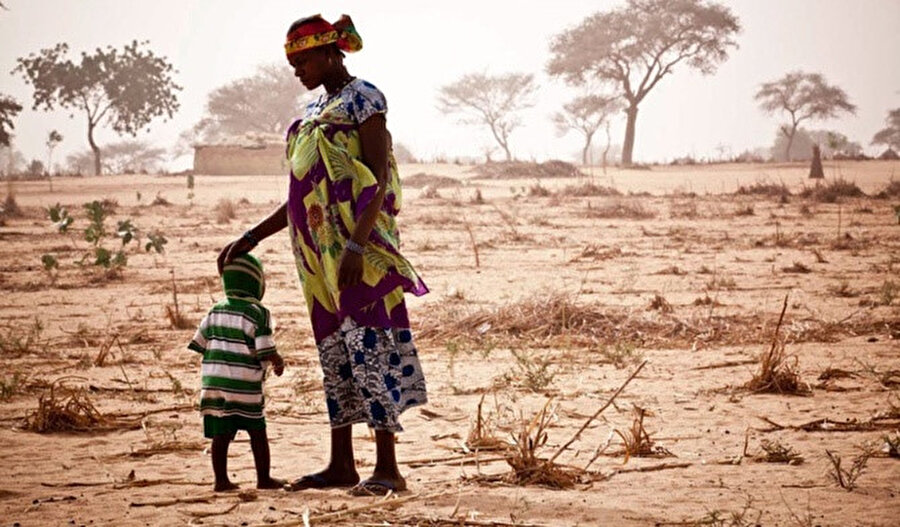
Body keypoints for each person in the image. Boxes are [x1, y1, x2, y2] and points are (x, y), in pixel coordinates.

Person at [217, 13, 428, 496]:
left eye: (304, 58)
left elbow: (375, 178)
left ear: (332, 52)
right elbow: (300, 195)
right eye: (293, 63)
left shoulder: (365, 100)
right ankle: (341, 465)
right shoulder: (315, 112)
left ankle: (388, 470)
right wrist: (251, 237)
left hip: (361, 251)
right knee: (336, 353)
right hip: (317, 259)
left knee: (369, 346)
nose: (298, 69)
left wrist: (356, 245)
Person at [189, 253, 286, 492]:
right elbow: (264, 349)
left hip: (215, 385)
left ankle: (221, 480)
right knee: (257, 432)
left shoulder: (214, 310)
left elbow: (200, 344)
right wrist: (277, 360)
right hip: (245, 386)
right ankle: (264, 479)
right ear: (256, 283)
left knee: (221, 435)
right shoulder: (258, 313)